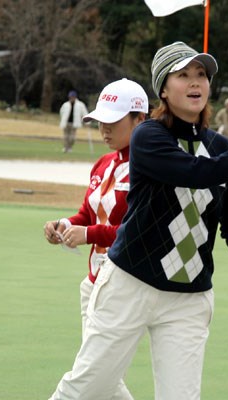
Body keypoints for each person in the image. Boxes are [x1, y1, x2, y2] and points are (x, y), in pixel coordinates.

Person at [46, 41, 228, 400]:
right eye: (183, 75)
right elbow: (195, 172)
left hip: (189, 296)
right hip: (130, 284)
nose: (195, 82)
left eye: (201, 74)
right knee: (88, 388)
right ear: (163, 89)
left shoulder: (222, 149)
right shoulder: (148, 136)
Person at [45, 78, 149, 400]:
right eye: (101, 121)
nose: (104, 129)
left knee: (89, 375)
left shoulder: (150, 168)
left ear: (139, 120)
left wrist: (87, 234)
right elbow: (87, 214)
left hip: (123, 285)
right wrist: (63, 225)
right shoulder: (103, 163)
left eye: (113, 122)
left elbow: (139, 230)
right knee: (104, 377)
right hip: (93, 284)